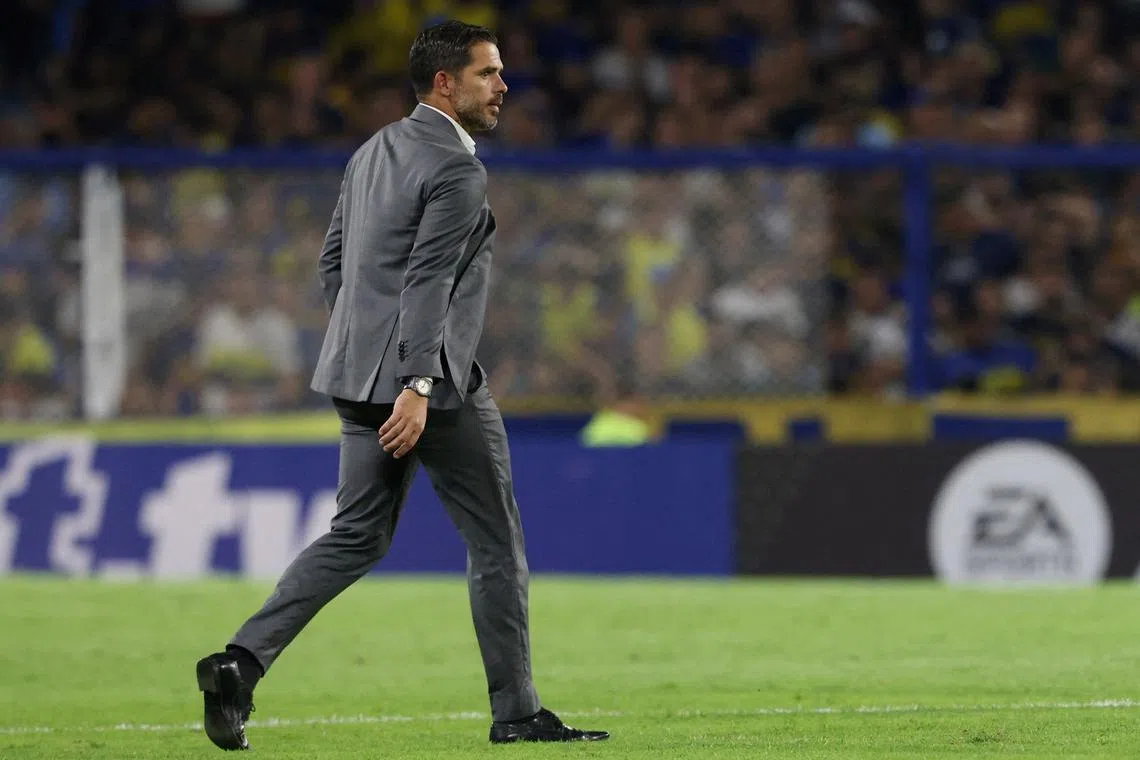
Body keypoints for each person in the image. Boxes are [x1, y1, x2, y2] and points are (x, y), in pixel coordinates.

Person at [194, 20, 609, 751]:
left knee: (355, 535)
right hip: (433, 385)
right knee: (495, 543)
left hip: (357, 376)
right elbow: (427, 281)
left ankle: (239, 662)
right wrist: (414, 380)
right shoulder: (456, 170)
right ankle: (516, 712)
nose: (503, 86)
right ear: (445, 83)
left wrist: (369, 355)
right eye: (488, 74)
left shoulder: (372, 152)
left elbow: (334, 265)